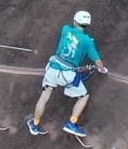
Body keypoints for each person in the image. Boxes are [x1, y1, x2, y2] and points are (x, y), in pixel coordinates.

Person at [30, 11, 104, 141]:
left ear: (75, 21)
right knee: (83, 96)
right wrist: (102, 69)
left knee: (44, 97)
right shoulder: (88, 42)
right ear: (87, 24)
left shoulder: (65, 29)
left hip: (52, 69)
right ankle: (72, 123)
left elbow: (70, 35)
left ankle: (35, 124)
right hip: (68, 75)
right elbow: (98, 62)